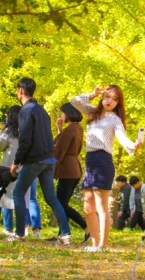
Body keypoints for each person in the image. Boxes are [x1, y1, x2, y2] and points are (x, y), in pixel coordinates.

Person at [71, 85, 143, 252]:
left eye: (115, 99)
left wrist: (134, 145)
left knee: (101, 206)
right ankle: (94, 244)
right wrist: (92, 94)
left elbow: (123, 139)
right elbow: (74, 101)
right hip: (90, 161)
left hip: (103, 160)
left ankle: (102, 245)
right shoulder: (92, 113)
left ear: (118, 103)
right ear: (103, 97)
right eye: (107, 96)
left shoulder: (114, 120)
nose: (110, 101)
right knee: (88, 207)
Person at [7, 77, 71, 244]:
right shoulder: (41, 110)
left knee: (18, 193)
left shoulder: (26, 110)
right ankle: (65, 234)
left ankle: (19, 234)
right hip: (50, 158)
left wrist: (16, 161)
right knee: (51, 197)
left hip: (36, 159)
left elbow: (25, 139)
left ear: (20, 90)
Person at [51, 102, 89, 243]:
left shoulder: (70, 129)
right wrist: (59, 130)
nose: (61, 115)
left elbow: (58, 151)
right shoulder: (77, 128)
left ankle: (87, 228)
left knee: (61, 204)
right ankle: (62, 233)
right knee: (63, 202)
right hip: (74, 169)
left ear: (67, 113)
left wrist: (48, 165)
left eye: (62, 113)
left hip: (67, 170)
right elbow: (66, 146)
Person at [0, 106, 30, 235]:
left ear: (11, 116)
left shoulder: (8, 131)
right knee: (21, 197)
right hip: (24, 167)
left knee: (5, 195)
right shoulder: (26, 130)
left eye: (7, 115)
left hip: (8, 167)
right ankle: (24, 228)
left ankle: (7, 228)